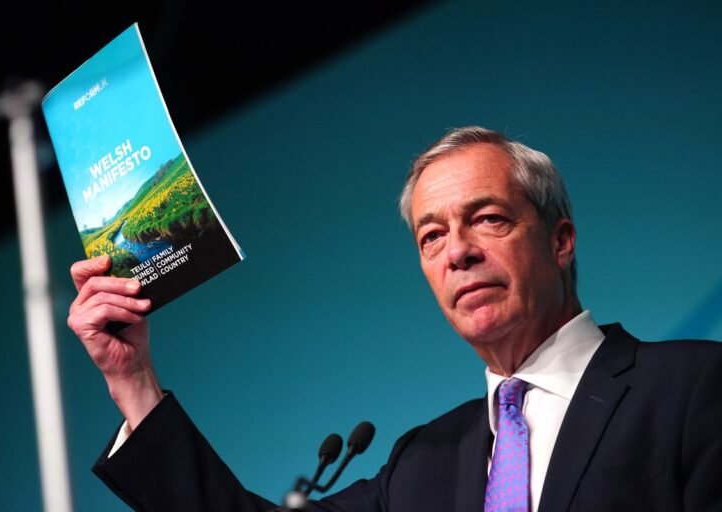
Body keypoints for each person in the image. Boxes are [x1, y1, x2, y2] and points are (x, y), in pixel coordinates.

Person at [68, 126, 722, 511]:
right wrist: (134, 381)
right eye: (431, 237)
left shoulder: (692, 390)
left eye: (487, 218)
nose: (458, 252)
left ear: (560, 239)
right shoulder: (423, 465)